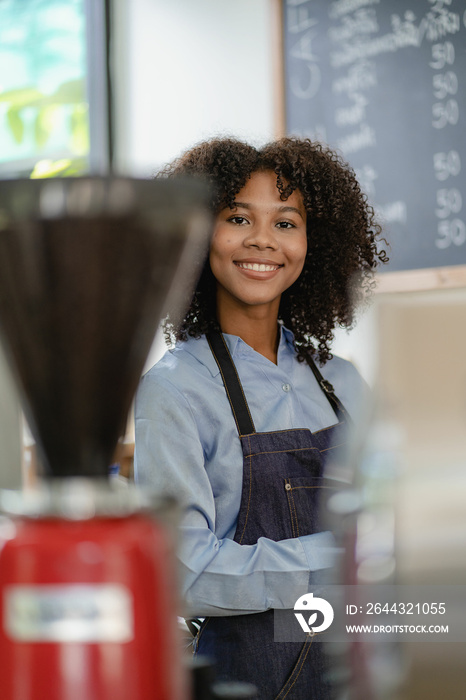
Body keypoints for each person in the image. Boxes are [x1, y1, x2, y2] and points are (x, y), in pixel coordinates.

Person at [134, 137, 388, 699]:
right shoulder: (174, 390)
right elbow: (182, 574)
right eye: (238, 217)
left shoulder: (342, 381)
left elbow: (390, 520)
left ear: (312, 244)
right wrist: (339, 561)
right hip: (248, 680)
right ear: (199, 234)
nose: (262, 241)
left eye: (286, 223)